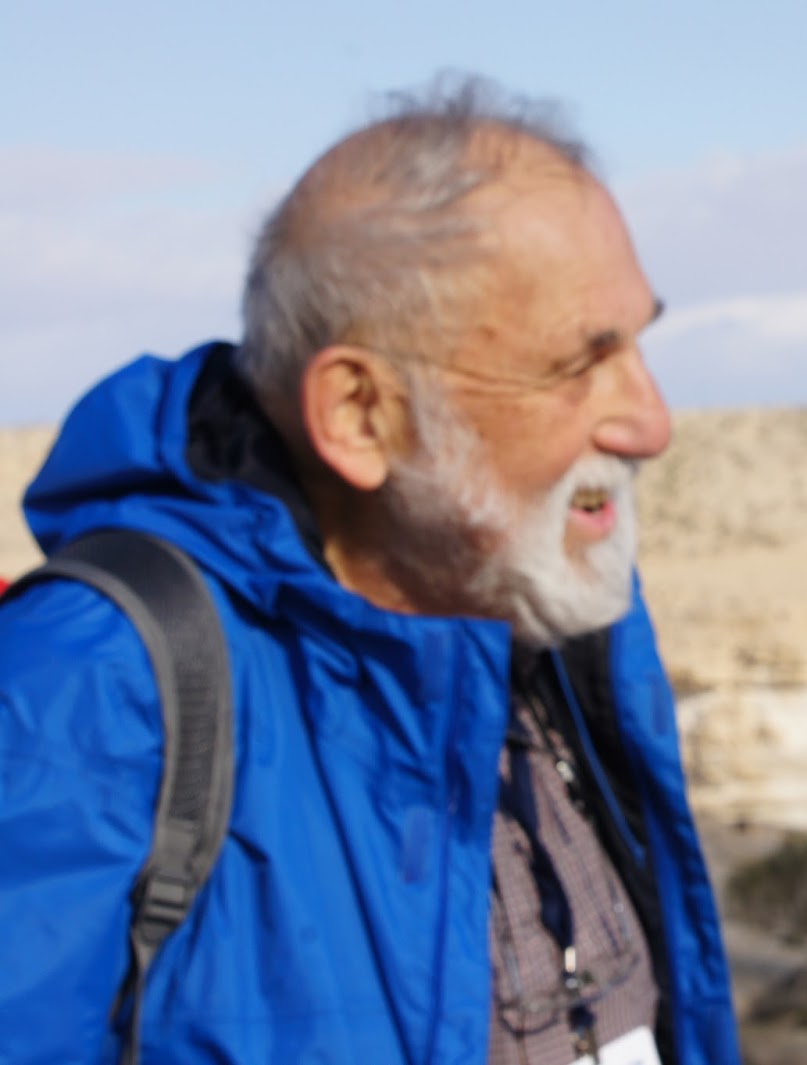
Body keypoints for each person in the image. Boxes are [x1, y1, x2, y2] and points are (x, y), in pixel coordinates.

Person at [0, 77, 740, 1064]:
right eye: (578, 364)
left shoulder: (564, 624)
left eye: (640, 342)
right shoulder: (86, 690)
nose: (652, 422)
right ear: (358, 413)